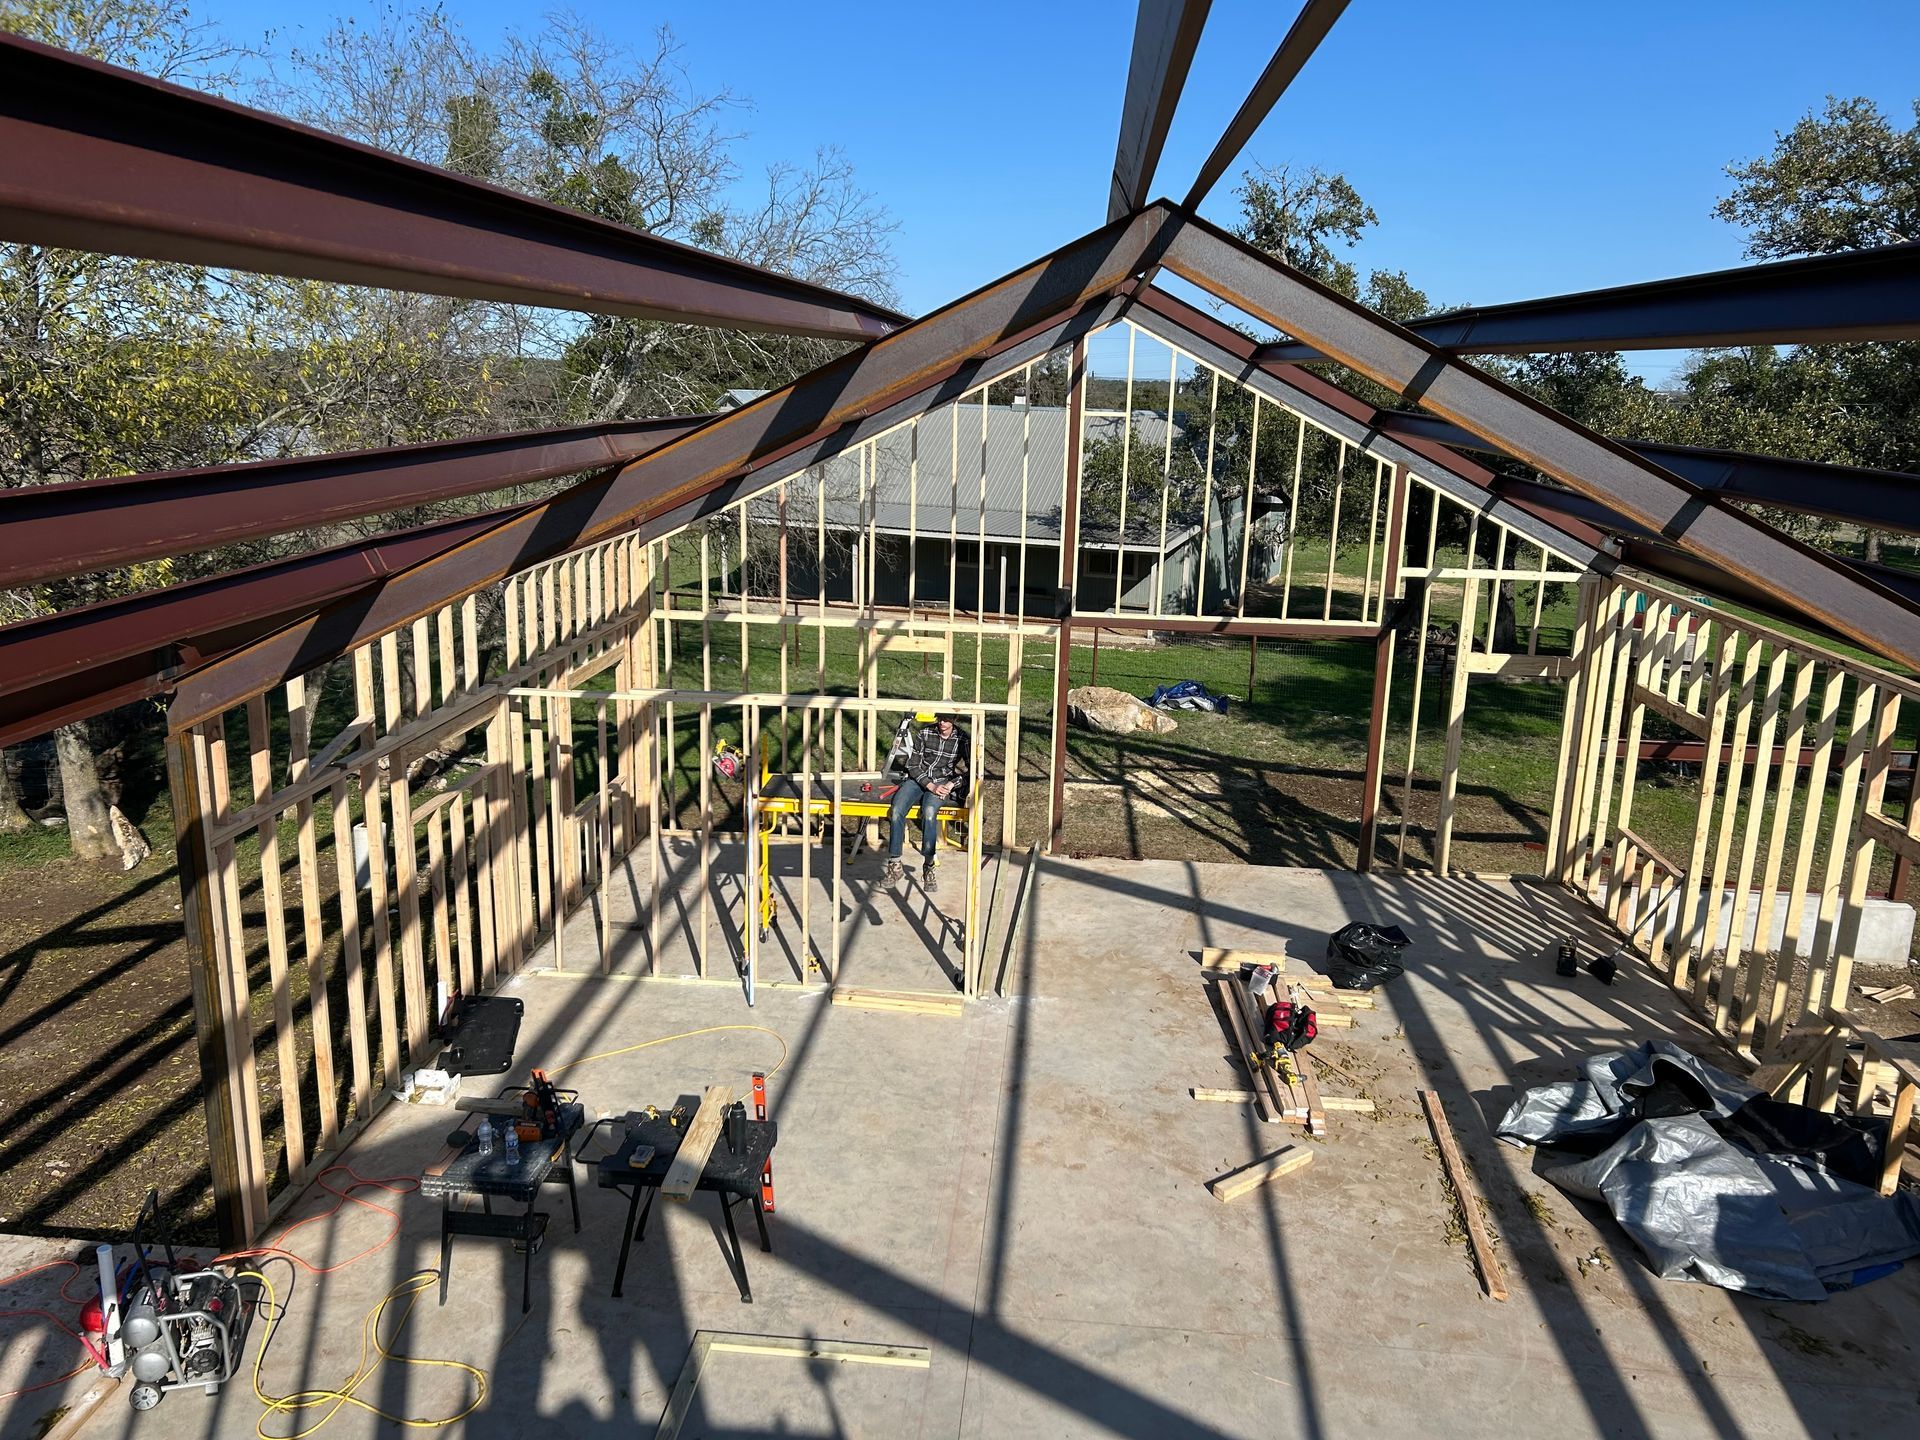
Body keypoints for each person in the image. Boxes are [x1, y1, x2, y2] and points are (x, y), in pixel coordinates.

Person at [882, 711, 968, 892]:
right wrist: (929, 785)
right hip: (918, 779)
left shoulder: (962, 739)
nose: (942, 722)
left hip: (942, 781)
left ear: (955, 719)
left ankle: (929, 866)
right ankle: (895, 864)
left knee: (929, 813)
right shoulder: (925, 733)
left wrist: (953, 784)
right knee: (897, 810)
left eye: (947, 719)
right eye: (940, 718)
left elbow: (973, 771)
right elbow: (912, 765)